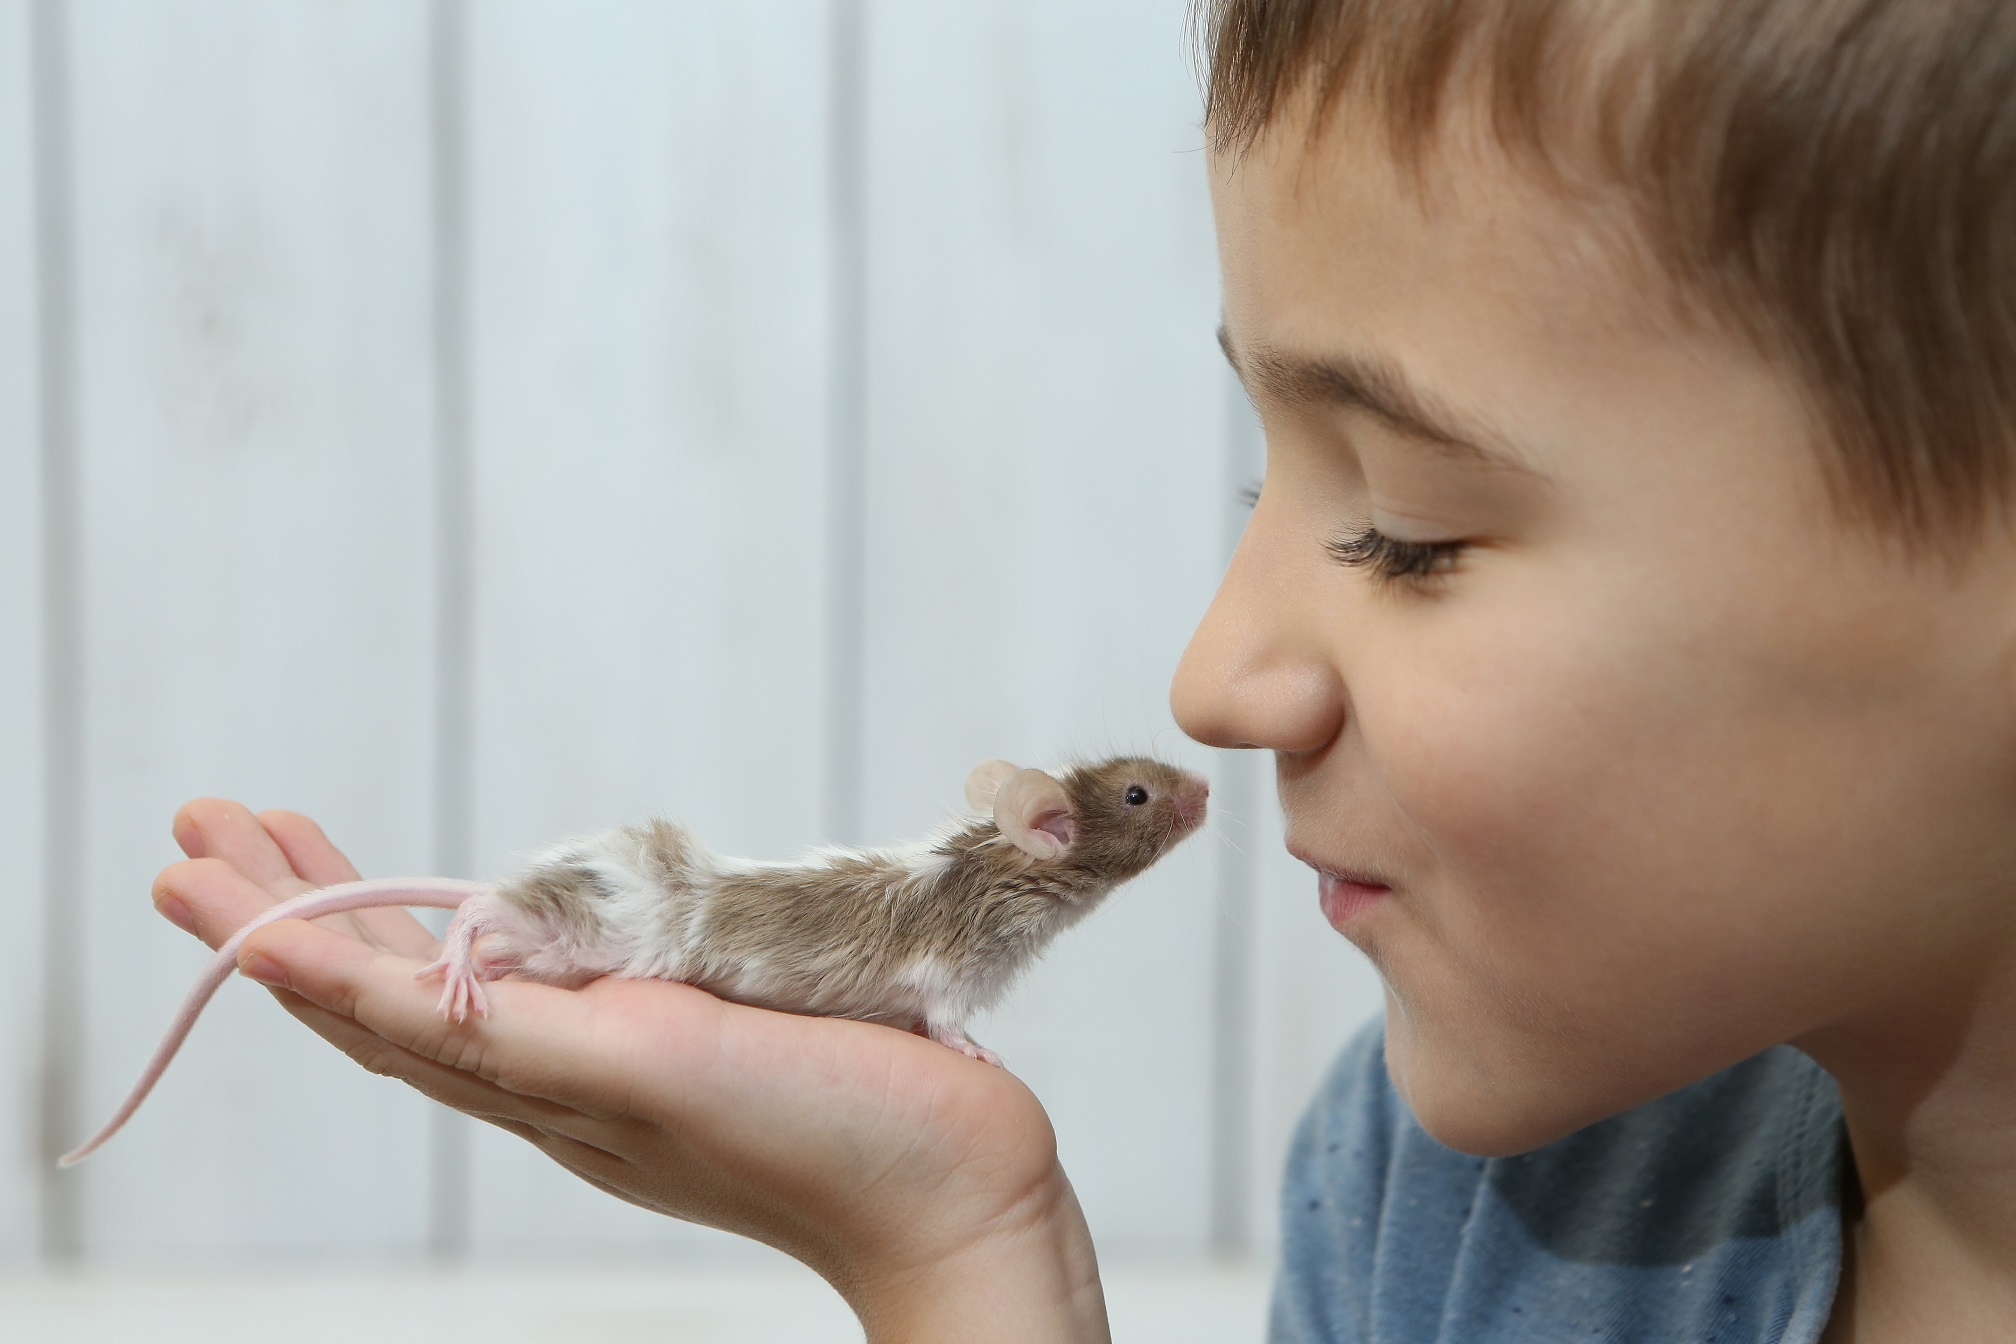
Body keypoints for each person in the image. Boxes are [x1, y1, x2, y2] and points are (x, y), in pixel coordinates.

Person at [154, 1, 2016, 1339]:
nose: (1214, 675)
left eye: (1410, 527)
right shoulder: (1442, 1203)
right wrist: (968, 1254)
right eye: (1264, 474)